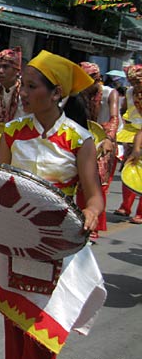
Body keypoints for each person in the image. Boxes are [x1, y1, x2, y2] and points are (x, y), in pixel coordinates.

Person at [0, 50, 106, 359]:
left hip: (58, 248)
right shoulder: (11, 133)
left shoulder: (79, 139)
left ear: (57, 93)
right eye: (22, 86)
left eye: (31, 86)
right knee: (15, 326)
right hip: (13, 245)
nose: (22, 93)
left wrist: (90, 213)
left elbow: (95, 196)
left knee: (44, 331)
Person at [77, 61, 120, 238]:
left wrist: (108, 139)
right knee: (80, 180)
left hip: (105, 139)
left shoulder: (111, 93)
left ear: (98, 79)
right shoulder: (78, 93)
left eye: (90, 80)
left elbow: (114, 118)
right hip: (85, 136)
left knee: (98, 181)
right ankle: (81, 220)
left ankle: (93, 225)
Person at [114, 64, 142, 223]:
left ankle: (140, 212)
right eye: (133, 82)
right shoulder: (130, 92)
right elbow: (124, 109)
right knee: (128, 169)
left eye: (138, 81)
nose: (135, 85)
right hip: (131, 133)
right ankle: (125, 206)